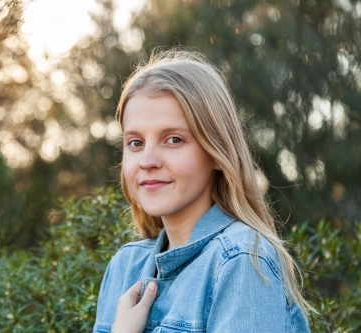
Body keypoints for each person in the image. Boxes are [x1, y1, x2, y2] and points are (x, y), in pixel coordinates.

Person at [93, 50, 311, 333]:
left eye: (173, 139)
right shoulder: (124, 267)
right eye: (135, 143)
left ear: (217, 152)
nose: (147, 161)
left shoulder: (240, 262)